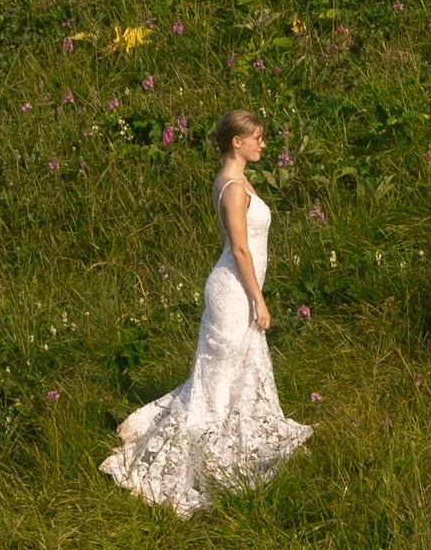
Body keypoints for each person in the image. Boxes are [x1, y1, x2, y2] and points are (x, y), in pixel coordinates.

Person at [101, 107, 314, 515]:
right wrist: (259, 299)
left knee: (230, 375)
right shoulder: (233, 187)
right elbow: (239, 249)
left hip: (235, 289)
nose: (263, 144)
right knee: (214, 387)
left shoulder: (236, 179)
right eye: (257, 138)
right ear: (238, 142)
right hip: (233, 293)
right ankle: (200, 460)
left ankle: (221, 445)